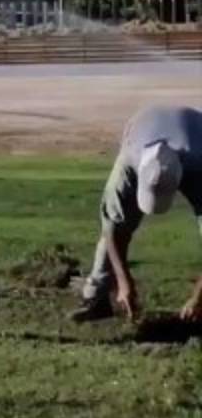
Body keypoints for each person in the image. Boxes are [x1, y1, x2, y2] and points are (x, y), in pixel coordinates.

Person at [70, 104, 202, 323]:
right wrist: (124, 282)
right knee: (117, 223)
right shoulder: (130, 162)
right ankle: (96, 297)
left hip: (196, 147)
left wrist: (198, 299)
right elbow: (112, 228)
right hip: (142, 129)